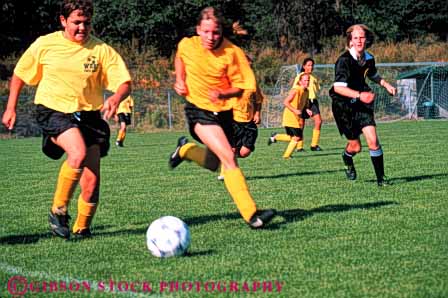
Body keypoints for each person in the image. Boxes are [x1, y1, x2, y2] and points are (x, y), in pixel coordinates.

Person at [1, 0, 132, 239]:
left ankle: (82, 229)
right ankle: (58, 210)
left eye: (87, 23)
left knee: (91, 186)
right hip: (54, 110)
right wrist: (11, 108)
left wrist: (116, 97)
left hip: (89, 116)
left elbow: (124, 82)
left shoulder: (101, 50)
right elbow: (20, 75)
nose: (82, 28)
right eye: (76, 22)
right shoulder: (45, 44)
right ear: (63, 21)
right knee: (78, 153)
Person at [170, 6, 276, 229]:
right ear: (198, 29)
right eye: (206, 31)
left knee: (212, 163)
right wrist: (180, 79)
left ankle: (185, 150)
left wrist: (223, 93)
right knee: (229, 157)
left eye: (216, 32)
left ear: (221, 32)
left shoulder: (232, 53)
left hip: (225, 114)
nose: (211, 37)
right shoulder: (187, 44)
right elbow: (180, 57)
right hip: (199, 111)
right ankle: (252, 214)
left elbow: (241, 88)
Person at [329, 24, 396, 186]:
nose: (359, 41)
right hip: (343, 107)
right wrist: (360, 95)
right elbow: (338, 88)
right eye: (356, 38)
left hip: (362, 105)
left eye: (362, 37)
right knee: (356, 147)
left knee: (373, 141)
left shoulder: (369, 58)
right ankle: (347, 157)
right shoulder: (343, 61)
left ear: (367, 40)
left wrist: (385, 84)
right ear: (350, 41)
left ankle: (381, 180)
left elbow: (372, 74)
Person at [217, 52, 265, 181]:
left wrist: (257, 113)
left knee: (244, 153)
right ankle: (226, 171)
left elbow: (259, 100)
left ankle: (229, 161)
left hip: (249, 122)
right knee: (231, 148)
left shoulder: (253, 83)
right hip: (233, 121)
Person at [268, 73, 312, 159]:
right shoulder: (295, 90)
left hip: (296, 117)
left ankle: (275, 137)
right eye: (305, 80)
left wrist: (307, 109)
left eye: (308, 80)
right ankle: (286, 156)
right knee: (297, 137)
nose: (307, 82)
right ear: (300, 82)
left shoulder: (306, 91)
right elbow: (285, 102)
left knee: (294, 137)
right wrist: (294, 110)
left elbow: (305, 104)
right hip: (290, 116)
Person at [292, 58, 323, 151]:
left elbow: (317, 89)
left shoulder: (313, 77)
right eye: (308, 65)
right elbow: (295, 89)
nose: (311, 67)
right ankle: (299, 147)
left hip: (312, 102)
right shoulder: (300, 76)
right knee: (301, 124)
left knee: (318, 121)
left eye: (312, 65)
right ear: (304, 66)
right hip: (303, 101)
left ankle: (314, 145)